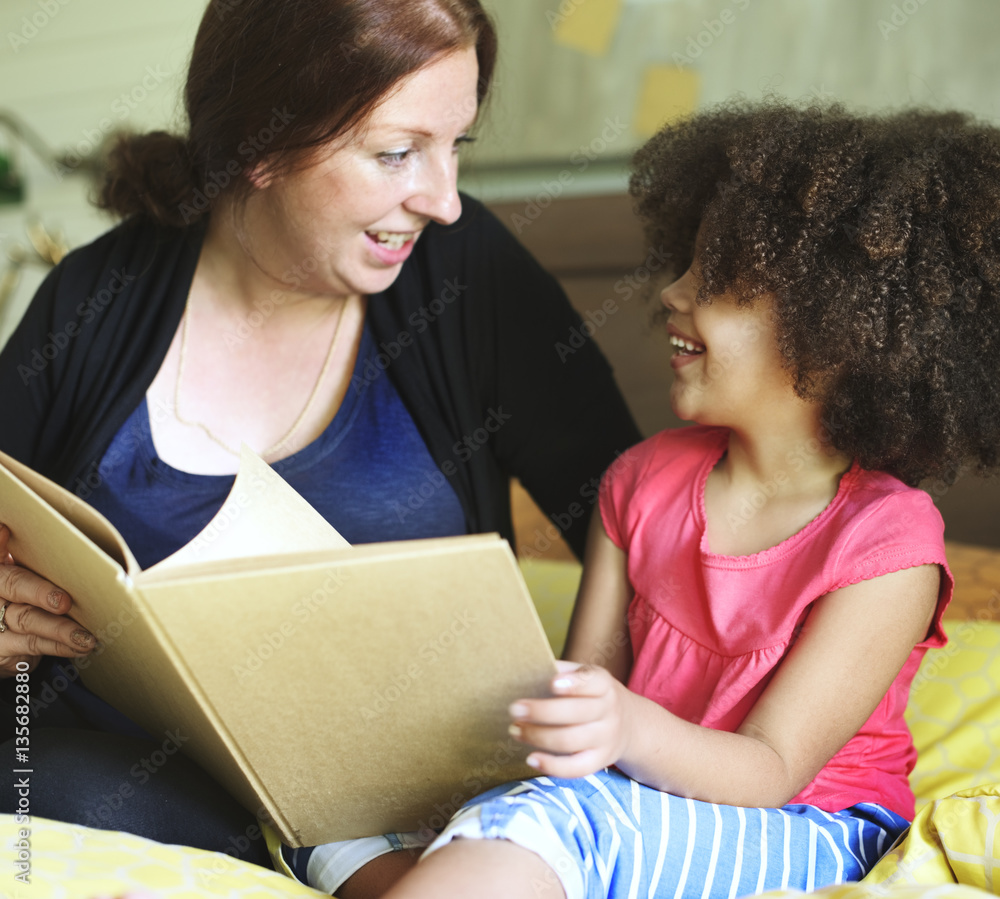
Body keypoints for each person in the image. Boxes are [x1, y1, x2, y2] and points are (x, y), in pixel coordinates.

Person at [0, 0, 640, 896]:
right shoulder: (94, 300)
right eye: (396, 153)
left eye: (457, 145)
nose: (444, 200)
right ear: (261, 146)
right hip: (124, 780)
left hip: (418, 801)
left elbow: (646, 530)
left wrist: (601, 733)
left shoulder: (467, 277)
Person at [377, 99, 1000, 899]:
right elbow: (589, 685)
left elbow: (772, 767)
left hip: (811, 823)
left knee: (555, 825)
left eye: (717, 281)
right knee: (406, 817)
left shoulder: (888, 545)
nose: (672, 292)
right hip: (637, 795)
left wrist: (624, 730)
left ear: (836, 334)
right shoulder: (640, 479)